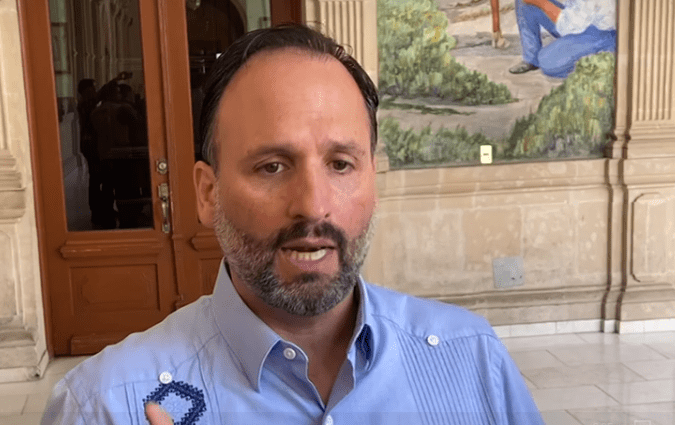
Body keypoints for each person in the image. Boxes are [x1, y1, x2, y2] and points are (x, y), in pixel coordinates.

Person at [42, 25, 544, 424]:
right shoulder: (104, 407)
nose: (313, 205)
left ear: (372, 178)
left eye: (341, 164)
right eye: (272, 166)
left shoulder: (473, 361)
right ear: (208, 193)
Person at [509, 0, 616, 78]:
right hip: (578, 20)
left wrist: (541, 3)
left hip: (601, 32)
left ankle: (596, 62)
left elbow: (570, 25)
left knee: (547, 62)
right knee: (523, 2)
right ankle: (531, 60)